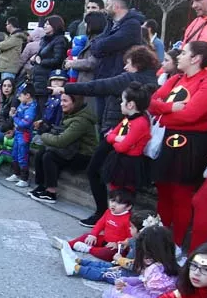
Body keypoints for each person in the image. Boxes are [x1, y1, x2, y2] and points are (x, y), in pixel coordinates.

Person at [56, 44, 160, 225]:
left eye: (127, 63)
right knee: (117, 182)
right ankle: (110, 217)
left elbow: (99, 86)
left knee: (98, 172)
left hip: (121, 133)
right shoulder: (152, 81)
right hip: (122, 134)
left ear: (137, 64)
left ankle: (105, 215)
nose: (125, 67)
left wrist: (67, 88)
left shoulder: (131, 80)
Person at [149, 41, 207, 250]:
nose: (178, 56)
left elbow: (192, 115)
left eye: (183, 53)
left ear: (196, 58)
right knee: (163, 190)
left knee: (181, 195)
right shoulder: (175, 79)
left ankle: (178, 244)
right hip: (167, 138)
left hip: (192, 144)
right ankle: (159, 240)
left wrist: (164, 114)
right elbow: (152, 102)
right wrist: (171, 107)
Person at [101, 221, 180, 298]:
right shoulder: (158, 265)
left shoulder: (159, 274)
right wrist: (128, 281)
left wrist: (130, 290)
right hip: (149, 294)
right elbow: (143, 279)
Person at [27, 92, 97, 204]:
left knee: (50, 156)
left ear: (75, 102)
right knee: (42, 152)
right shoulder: (72, 113)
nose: (61, 104)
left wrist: (43, 136)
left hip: (83, 155)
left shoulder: (81, 121)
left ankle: (51, 193)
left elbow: (61, 141)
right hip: (71, 149)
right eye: (61, 100)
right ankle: (42, 186)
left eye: (65, 101)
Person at [58, 187, 134, 257]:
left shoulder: (129, 220)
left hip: (117, 247)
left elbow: (131, 238)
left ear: (128, 207)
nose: (113, 204)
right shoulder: (108, 212)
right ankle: (67, 245)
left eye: (119, 203)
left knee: (108, 253)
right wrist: (93, 235)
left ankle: (89, 249)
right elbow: (100, 224)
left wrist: (117, 244)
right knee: (86, 236)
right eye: (112, 200)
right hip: (105, 240)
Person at [30, 15, 69, 115]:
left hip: (48, 78)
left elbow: (58, 60)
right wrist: (34, 59)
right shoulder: (45, 40)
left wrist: (40, 61)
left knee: (45, 109)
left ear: (55, 26)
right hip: (38, 78)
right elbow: (40, 56)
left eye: (48, 24)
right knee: (37, 108)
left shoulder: (60, 40)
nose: (45, 26)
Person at [5, 83, 38, 189]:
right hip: (18, 132)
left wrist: (14, 117)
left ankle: (24, 178)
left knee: (22, 155)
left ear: (27, 95)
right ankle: (16, 173)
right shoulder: (22, 104)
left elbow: (25, 123)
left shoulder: (31, 107)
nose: (18, 97)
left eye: (20, 95)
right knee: (14, 153)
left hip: (25, 134)